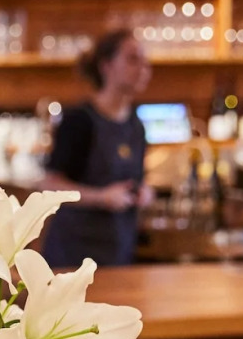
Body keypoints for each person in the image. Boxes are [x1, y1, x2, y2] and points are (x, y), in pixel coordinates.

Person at [39, 29, 156, 268]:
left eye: (145, 60)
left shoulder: (136, 125)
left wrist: (145, 193)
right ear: (106, 66)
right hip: (73, 255)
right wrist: (102, 198)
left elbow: (136, 181)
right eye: (132, 59)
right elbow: (50, 186)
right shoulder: (80, 120)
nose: (143, 67)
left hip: (118, 252)